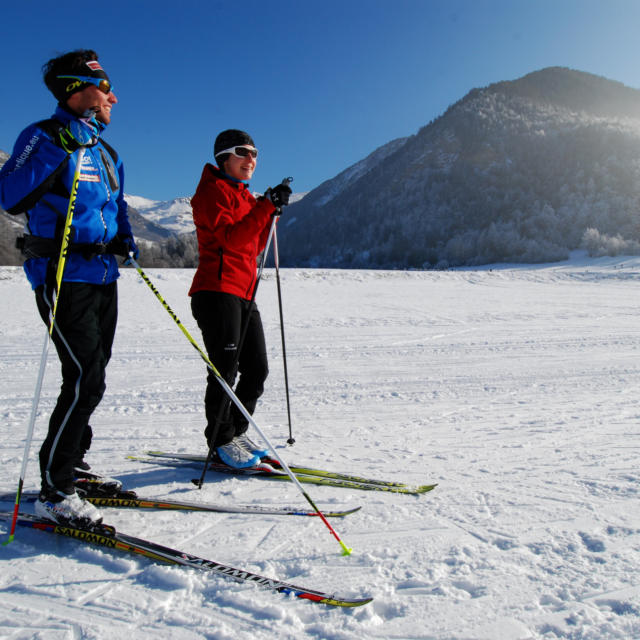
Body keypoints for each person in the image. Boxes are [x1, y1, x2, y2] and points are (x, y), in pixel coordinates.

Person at [0, 49, 138, 526]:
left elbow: (115, 203)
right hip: (62, 276)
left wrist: (126, 236)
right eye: (106, 89)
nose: (113, 98)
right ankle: (56, 491)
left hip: (104, 277)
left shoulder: (106, 150)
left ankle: (73, 465)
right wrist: (58, 146)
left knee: (90, 375)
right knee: (87, 378)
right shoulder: (43, 135)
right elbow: (9, 194)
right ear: (76, 91)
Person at [189, 129, 292, 468]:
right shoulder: (211, 193)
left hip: (244, 293)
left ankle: (235, 431)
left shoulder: (245, 196)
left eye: (255, 154)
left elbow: (253, 245)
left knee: (257, 370)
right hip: (216, 292)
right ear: (224, 157)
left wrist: (270, 212)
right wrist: (264, 207)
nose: (252, 159)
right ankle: (219, 441)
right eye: (243, 152)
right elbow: (232, 241)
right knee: (225, 370)